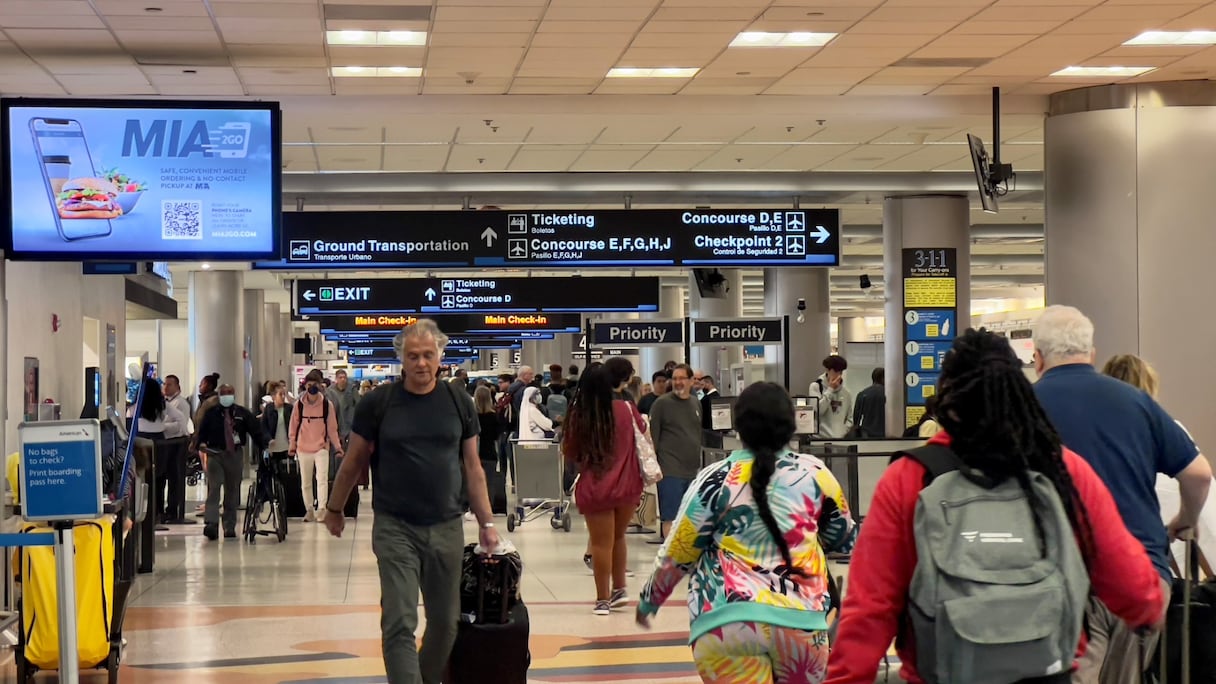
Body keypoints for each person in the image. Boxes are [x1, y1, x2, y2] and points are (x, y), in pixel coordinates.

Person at [826, 329, 1166, 684]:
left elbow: (870, 609)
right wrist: (1145, 610)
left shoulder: (911, 477)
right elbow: (1131, 583)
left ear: (947, 397)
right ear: (1021, 392)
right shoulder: (1062, 470)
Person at [1031, 306, 1210, 683]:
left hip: (1064, 576)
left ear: (1037, 357)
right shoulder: (1136, 401)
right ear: (1091, 353)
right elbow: (1199, 473)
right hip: (1140, 574)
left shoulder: (1026, 407)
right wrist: (1184, 521)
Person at [638, 382, 856, 684]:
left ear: (737, 427)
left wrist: (650, 599)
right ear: (791, 424)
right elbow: (844, 538)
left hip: (726, 623)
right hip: (802, 622)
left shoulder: (713, 479)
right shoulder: (815, 474)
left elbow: (680, 549)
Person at [325, 319, 498, 684]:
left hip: (447, 525)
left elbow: (473, 467)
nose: (421, 363)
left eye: (428, 355)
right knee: (400, 620)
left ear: (440, 358)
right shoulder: (379, 403)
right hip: (395, 526)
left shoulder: (458, 401)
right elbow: (353, 461)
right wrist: (335, 508)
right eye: (413, 356)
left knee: (445, 624)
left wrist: (487, 523)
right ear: (401, 360)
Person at [1102, 354, 1216, 583]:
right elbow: (1201, 480)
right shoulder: (1168, 430)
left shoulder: (1101, 436)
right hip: (1165, 538)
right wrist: (1187, 520)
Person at [563, 359, 647, 615]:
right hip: (629, 484)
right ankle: (619, 588)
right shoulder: (627, 409)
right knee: (619, 537)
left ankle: (602, 599)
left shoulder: (580, 415)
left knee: (601, 543)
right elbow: (642, 433)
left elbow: (571, 451)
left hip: (596, 485)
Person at [196, 384, 267, 541]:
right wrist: (200, 444)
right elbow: (202, 432)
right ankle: (211, 523)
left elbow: (255, 431)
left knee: (232, 490)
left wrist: (264, 446)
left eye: (229, 393)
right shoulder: (211, 414)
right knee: (214, 488)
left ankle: (229, 525)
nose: (226, 396)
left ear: (234, 395)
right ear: (219, 396)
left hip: (234, 454)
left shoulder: (241, 413)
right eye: (224, 393)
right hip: (215, 453)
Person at [648, 364, 702, 542]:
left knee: (689, 518)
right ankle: (670, 558)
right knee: (670, 516)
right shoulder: (662, 404)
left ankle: (684, 555)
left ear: (691, 381)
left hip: (692, 471)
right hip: (670, 470)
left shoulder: (695, 403)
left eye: (682, 379)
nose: (678, 382)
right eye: (675, 378)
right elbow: (652, 439)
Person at [290, 369, 345, 523]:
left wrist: (338, 447)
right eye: (309, 384)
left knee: (321, 479)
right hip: (303, 447)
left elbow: (332, 428)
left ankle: (322, 509)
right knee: (305, 482)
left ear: (320, 386)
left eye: (315, 384)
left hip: (321, 447)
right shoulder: (299, 406)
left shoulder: (327, 405)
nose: (312, 387)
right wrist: (292, 445)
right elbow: (293, 426)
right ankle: (309, 509)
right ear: (305, 386)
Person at [138, 376, 186, 527]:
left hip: (141, 442)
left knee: (141, 479)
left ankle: (143, 514)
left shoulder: (136, 405)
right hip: (159, 443)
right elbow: (181, 417)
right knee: (158, 480)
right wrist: (178, 431)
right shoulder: (162, 404)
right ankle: (157, 514)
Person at [161, 374, 194, 524]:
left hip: (176, 444)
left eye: (169, 385)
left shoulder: (181, 404)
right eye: (165, 384)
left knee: (175, 478)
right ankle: (161, 511)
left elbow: (180, 425)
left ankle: (173, 511)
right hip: (165, 444)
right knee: (162, 478)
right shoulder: (164, 402)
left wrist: (161, 428)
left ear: (177, 387)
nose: (166, 387)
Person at [809, 356, 852, 439]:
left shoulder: (846, 393)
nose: (838, 375)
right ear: (827, 370)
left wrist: (843, 431)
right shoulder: (816, 387)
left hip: (839, 439)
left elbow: (850, 418)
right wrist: (830, 389)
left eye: (841, 371)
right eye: (835, 371)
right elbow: (819, 411)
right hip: (819, 439)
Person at [851, 367, 886, 438]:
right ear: (883, 378)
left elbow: (856, 418)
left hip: (866, 434)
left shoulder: (862, 394)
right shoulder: (889, 394)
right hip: (885, 434)